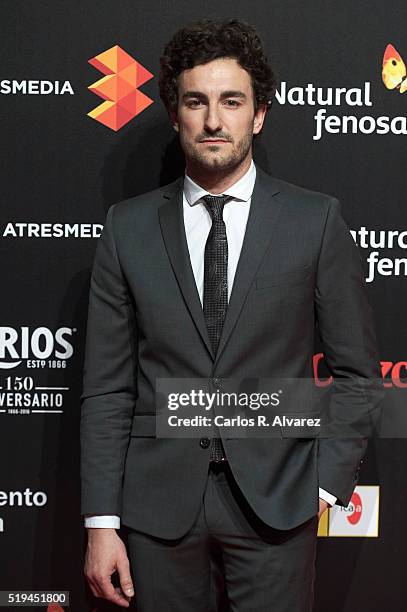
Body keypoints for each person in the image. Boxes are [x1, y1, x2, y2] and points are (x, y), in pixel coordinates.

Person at [80, 18, 381, 611]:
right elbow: (108, 388)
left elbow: (359, 373)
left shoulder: (314, 221)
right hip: (156, 508)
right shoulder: (127, 228)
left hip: (277, 501)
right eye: (196, 101)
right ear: (175, 114)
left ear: (259, 114)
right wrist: (100, 521)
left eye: (231, 101)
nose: (213, 120)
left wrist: (322, 485)